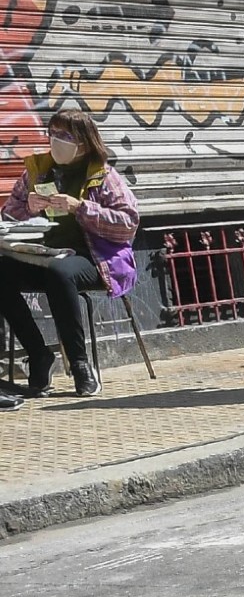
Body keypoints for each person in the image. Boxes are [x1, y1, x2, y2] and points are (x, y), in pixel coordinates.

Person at [0, 109, 139, 397]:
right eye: (52, 134)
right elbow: (9, 215)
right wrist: (28, 205)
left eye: (65, 136)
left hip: (93, 260)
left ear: (84, 142)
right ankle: (39, 355)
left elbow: (128, 224)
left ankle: (79, 364)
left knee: (60, 273)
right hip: (43, 254)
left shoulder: (102, 175)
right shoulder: (37, 171)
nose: (56, 141)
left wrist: (80, 207)